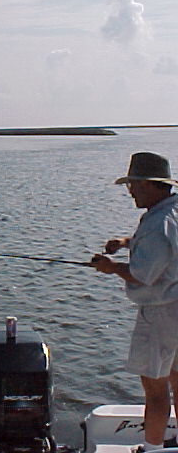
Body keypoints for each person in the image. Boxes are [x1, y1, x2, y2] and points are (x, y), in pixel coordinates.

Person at [91, 152, 178, 452]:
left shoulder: (157, 223)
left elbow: (142, 276)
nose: (130, 192)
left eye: (134, 185)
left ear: (150, 184)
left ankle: (152, 449)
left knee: (155, 388)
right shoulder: (171, 210)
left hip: (161, 316)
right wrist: (126, 242)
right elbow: (165, 246)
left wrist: (111, 267)